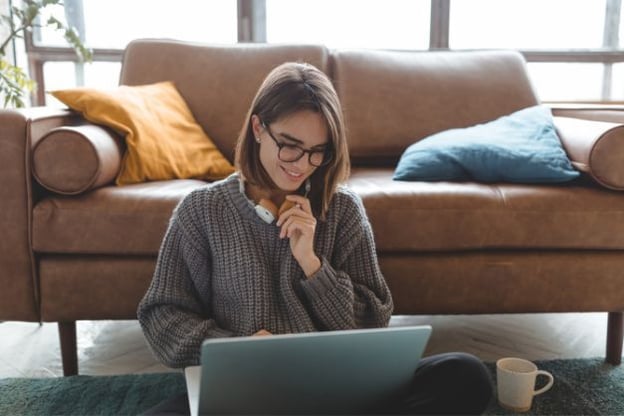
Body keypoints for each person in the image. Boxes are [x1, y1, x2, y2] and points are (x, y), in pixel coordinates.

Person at [138, 62, 493, 415]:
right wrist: (236, 348)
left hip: (339, 390)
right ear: (258, 127)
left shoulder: (342, 209)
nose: (302, 164)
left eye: (317, 151)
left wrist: (313, 265)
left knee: (465, 375)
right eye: (290, 145)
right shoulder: (201, 211)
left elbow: (372, 321)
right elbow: (162, 315)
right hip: (248, 389)